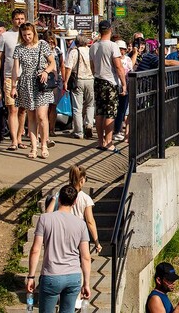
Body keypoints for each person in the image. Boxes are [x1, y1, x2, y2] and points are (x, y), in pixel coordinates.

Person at [26, 185, 92, 313]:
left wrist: (31, 277)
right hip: (73, 276)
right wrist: (86, 283)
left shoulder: (45, 219)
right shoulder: (81, 224)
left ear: (58, 200)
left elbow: (35, 250)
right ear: (75, 202)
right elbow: (85, 257)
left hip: (51, 275)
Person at [10, 23, 56, 159]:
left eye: (29, 34)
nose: (27, 37)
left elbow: (52, 62)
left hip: (40, 82)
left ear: (34, 33)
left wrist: (46, 71)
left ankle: (44, 145)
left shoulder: (42, 44)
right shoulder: (19, 48)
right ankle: (34, 146)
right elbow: (15, 69)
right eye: (24, 35)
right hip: (26, 83)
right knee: (30, 117)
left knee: (42, 116)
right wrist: (13, 86)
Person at [45, 166, 101, 255]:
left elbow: (48, 213)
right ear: (82, 180)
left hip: (60, 231)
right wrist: (96, 242)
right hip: (77, 234)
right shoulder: (86, 198)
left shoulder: (61, 193)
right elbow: (90, 221)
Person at [90, 20, 127, 151]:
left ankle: (100, 142)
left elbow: (92, 66)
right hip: (110, 82)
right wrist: (124, 84)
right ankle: (109, 141)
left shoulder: (94, 46)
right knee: (110, 113)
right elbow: (118, 66)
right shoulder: (113, 46)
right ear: (110, 29)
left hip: (98, 80)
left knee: (99, 112)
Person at [0, 9, 28, 152]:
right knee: (13, 109)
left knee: (23, 110)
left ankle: (20, 138)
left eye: (22, 18)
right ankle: (14, 140)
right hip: (10, 76)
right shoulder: (5, 36)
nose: (20, 21)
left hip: (26, 76)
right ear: (12, 20)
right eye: (17, 19)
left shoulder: (28, 35)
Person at [64, 35, 95, 140]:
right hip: (91, 79)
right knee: (90, 104)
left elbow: (68, 68)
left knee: (78, 107)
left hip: (78, 80)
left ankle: (79, 131)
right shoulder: (90, 51)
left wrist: (65, 81)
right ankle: (89, 124)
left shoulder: (73, 52)